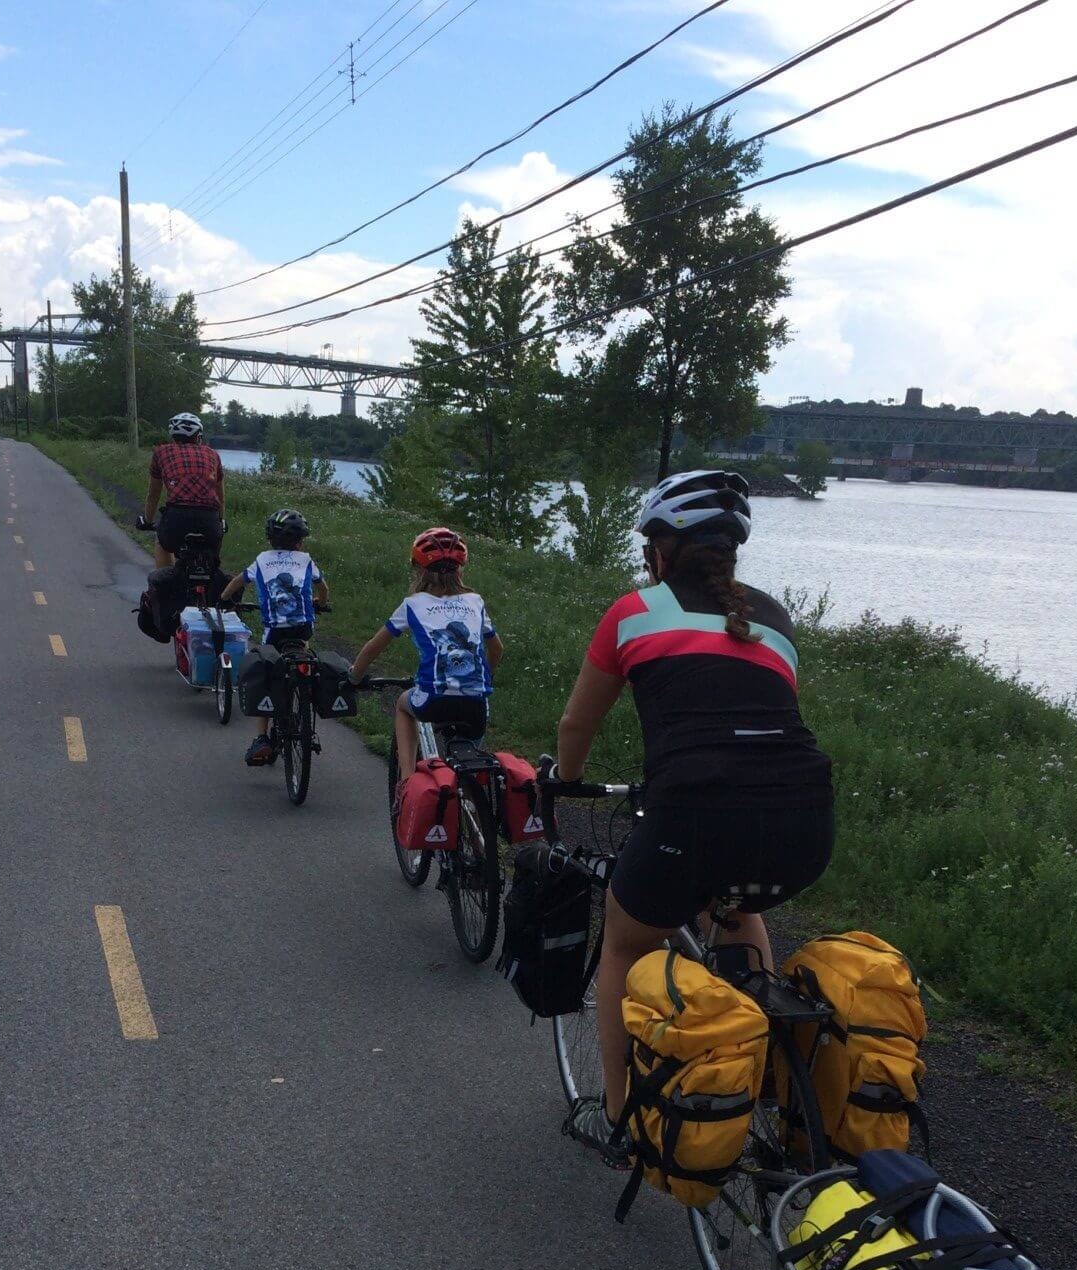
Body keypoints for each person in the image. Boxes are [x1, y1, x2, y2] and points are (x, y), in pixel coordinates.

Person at [553, 469, 835, 1158]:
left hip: (696, 812)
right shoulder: (774, 617)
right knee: (737, 905)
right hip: (805, 818)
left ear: (659, 550)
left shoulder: (633, 612)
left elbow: (575, 726)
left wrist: (565, 780)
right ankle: (767, 1089)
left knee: (625, 942)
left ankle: (619, 1119)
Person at [347, 527, 502, 780]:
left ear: (419, 569)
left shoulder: (413, 604)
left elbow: (374, 646)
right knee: (470, 769)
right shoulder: (476, 601)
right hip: (476, 704)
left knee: (402, 705)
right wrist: (487, 676)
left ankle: (407, 780)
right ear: (460, 568)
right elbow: (496, 648)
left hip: (433, 700)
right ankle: (473, 810)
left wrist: (355, 677)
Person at [221, 508, 330, 766]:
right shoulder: (306, 560)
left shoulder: (261, 560)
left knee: (269, 670)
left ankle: (261, 738)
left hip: (275, 631)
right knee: (304, 653)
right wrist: (321, 602)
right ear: (300, 541)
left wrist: (224, 598)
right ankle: (306, 698)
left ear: (269, 539)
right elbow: (322, 587)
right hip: (303, 628)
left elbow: (239, 581)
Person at [138, 412, 224, 568]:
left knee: (163, 543)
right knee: (212, 556)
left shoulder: (161, 452)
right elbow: (219, 495)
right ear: (198, 436)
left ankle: (165, 586)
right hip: (209, 519)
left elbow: (154, 494)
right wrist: (221, 520)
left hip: (176, 518)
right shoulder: (213, 454)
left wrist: (147, 520)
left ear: (173, 435)